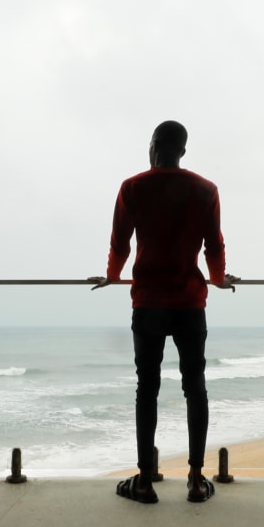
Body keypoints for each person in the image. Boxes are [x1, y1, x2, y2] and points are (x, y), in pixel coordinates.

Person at [89, 120, 238, 504]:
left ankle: (143, 482)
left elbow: (120, 243)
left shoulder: (133, 187)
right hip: (190, 303)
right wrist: (218, 278)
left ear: (153, 146)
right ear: (183, 151)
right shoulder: (205, 190)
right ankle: (194, 479)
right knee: (195, 388)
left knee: (147, 390)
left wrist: (111, 276)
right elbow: (214, 247)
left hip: (149, 303)